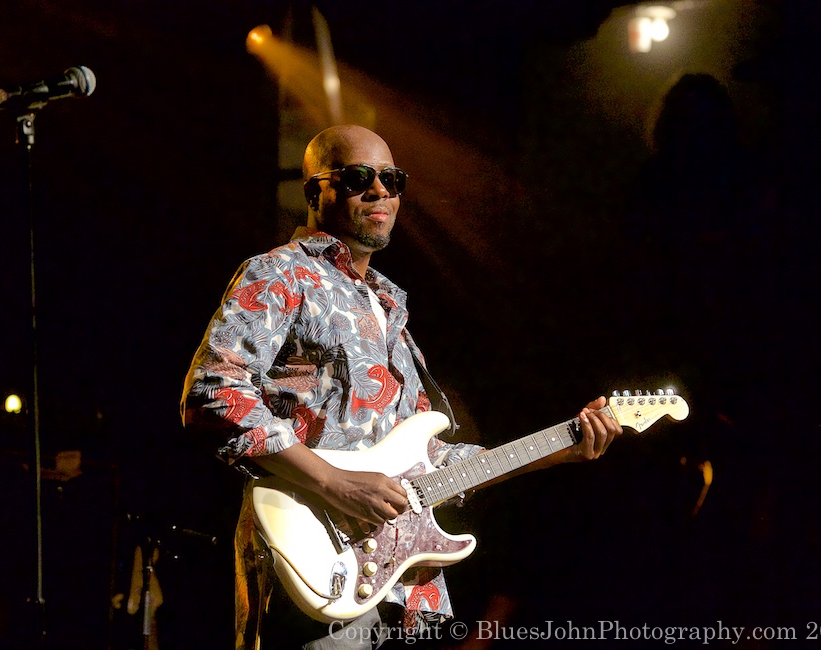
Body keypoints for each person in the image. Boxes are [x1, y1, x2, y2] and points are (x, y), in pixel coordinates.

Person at [180, 124, 621, 649]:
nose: (380, 191)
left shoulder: (389, 306)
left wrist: (559, 449)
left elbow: (427, 462)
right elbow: (212, 391)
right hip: (316, 569)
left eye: (392, 179)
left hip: (403, 588)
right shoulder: (280, 274)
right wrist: (335, 483)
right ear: (314, 192)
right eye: (358, 177)